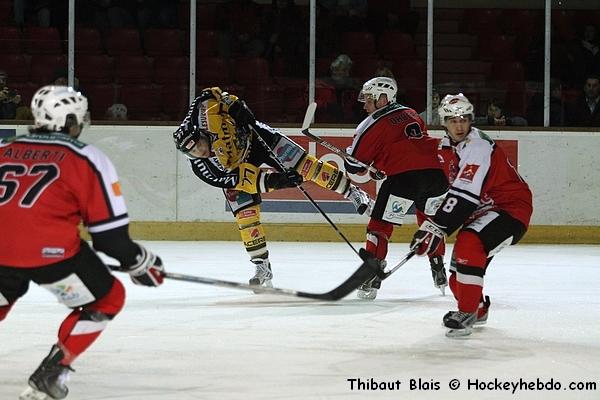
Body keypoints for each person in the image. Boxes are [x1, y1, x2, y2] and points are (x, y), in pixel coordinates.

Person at [0, 85, 166, 400]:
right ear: (72, 120)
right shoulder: (86, 156)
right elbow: (109, 238)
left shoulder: (3, 146)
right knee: (107, 298)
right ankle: (51, 373)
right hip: (51, 257)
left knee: (3, 293)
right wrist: (140, 262)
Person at [173, 86, 372, 288]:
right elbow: (249, 180)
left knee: (306, 165)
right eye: (193, 153)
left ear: (201, 134)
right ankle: (262, 265)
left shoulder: (202, 112)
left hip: (257, 137)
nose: (200, 152)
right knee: (245, 214)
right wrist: (280, 181)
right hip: (239, 168)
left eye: (199, 146)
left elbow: (212, 93)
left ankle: (353, 192)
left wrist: (234, 105)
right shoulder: (206, 169)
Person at [410, 93, 532, 337]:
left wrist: (437, 228)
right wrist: (431, 225)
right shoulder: (447, 147)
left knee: (469, 242)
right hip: (484, 211)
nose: (459, 126)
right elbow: (450, 192)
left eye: (464, 120)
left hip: (509, 208)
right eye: (453, 121)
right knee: (458, 278)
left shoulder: (477, 146)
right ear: (444, 123)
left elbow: (465, 195)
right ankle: (477, 308)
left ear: (470, 120)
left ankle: (466, 313)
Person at [345, 77, 450, 300]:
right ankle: (438, 266)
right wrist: (381, 167)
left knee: (379, 226)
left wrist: (349, 157)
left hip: (404, 180)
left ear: (383, 99)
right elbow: (409, 146)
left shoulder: (372, 123)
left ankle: (371, 275)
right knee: (430, 224)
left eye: (369, 100)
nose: (365, 105)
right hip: (436, 177)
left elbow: (355, 167)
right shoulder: (411, 113)